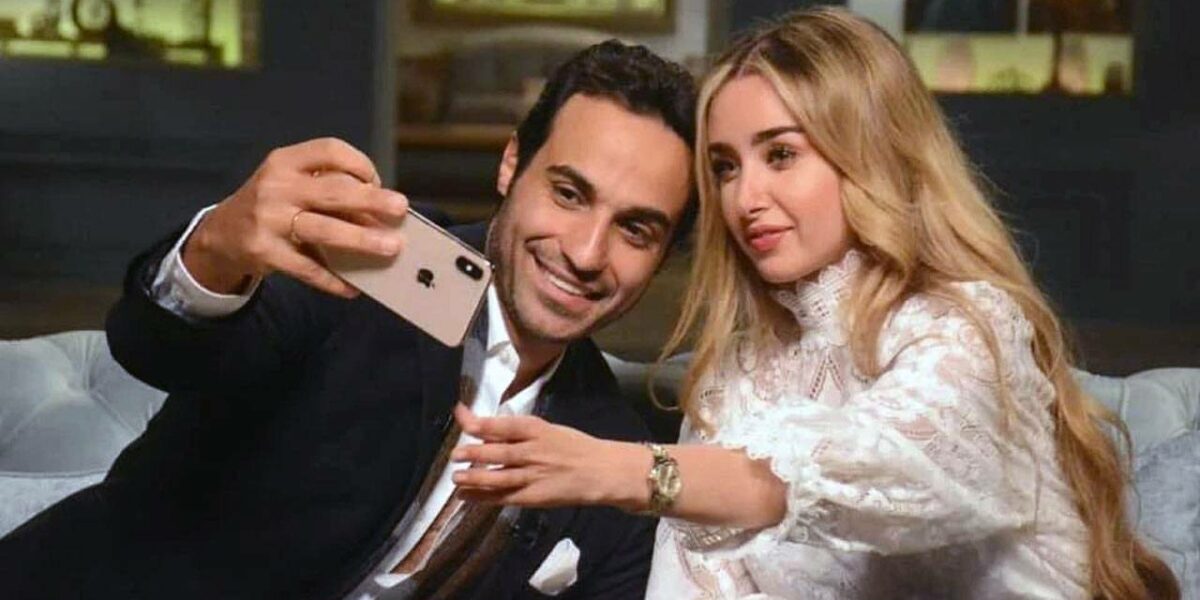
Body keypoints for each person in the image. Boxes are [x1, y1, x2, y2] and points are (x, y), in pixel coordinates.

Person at [447, 9, 1179, 599]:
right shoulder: (738, 374)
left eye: (781, 155)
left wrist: (632, 472)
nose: (745, 197)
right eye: (725, 167)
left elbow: (878, 470)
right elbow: (697, 577)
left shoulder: (965, 326)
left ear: (870, 152)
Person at [0, 40, 697, 599]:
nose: (585, 252)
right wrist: (215, 251)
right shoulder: (370, 261)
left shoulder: (610, 453)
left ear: (664, 255)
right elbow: (160, 348)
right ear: (512, 164)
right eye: (569, 193)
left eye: (635, 230)